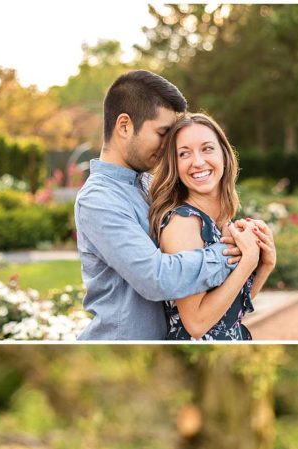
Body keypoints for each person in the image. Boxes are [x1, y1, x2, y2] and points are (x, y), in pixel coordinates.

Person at [74, 71, 246, 340]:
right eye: (163, 133)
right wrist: (229, 253)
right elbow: (156, 278)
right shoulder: (98, 199)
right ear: (124, 126)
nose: (170, 146)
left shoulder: (150, 184)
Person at [147, 113, 277, 340]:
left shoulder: (220, 221)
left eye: (207, 149)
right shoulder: (184, 223)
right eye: (184, 153)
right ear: (174, 165)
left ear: (224, 155)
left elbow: (231, 312)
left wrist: (266, 265)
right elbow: (196, 324)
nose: (197, 162)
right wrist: (248, 262)